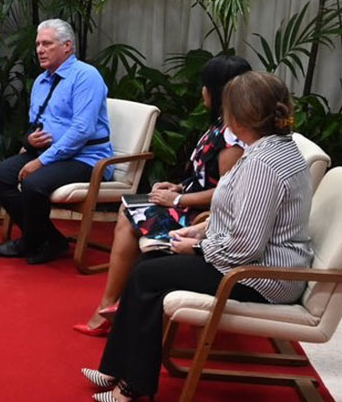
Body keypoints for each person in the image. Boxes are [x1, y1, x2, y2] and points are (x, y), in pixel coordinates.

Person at [83, 71, 312, 402]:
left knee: (148, 275)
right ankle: (117, 369)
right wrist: (201, 230)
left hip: (262, 276)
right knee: (151, 265)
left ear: (238, 115)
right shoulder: (269, 149)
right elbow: (243, 217)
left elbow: (245, 246)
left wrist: (196, 247)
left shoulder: (264, 164)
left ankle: (132, 386)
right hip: (251, 263)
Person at [74, 55, 252, 336]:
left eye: (204, 85)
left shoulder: (233, 138)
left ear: (215, 90)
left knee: (130, 213)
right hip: (190, 202)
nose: (201, 91)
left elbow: (226, 193)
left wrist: (178, 201)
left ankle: (111, 305)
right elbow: (208, 176)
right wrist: (178, 187)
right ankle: (116, 303)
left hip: (204, 216)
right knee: (131, 208)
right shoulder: (223, 125)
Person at [0, 19, 113, 265]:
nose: (40, 50)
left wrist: (42, 161)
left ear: (67, 46)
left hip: (85, 157)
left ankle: (31, 241)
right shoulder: (41, 81)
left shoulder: (86, 76)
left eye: (47, 44)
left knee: (34, 183)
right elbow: (39, 122)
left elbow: (82, 130)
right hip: (49, 152)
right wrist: (31, 140)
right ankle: (50, 238)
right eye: (38, 44)